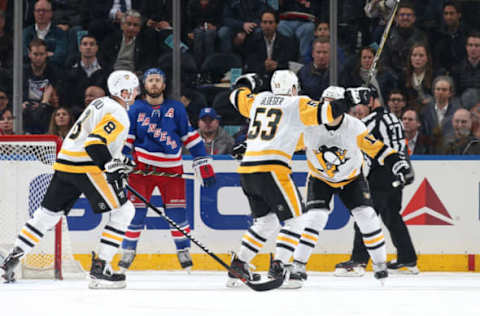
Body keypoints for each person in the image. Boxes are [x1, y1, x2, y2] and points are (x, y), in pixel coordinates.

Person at [1, 70, 140, 289]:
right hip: (86, 166)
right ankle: (100, 269)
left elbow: (94, 140)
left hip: (65, 161)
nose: (136, 94)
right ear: (124, 91)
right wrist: (110, 166)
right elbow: (95, 143)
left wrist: (119, 161)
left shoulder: (101, 103)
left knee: (47, 214)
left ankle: (11, 258)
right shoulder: (119, 113)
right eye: (134, 90)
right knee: (124, 211)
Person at [226, 70, 355, 287]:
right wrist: (350, 99)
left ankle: (239, 264)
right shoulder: (296, 103)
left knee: (266, 221)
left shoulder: (258, 99)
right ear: (294, 88)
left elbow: (236, 96)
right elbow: (327, 112)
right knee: (298, 219)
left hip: (248, 170)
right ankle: (280, 266)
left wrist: (245, 81)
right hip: (272, 169)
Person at [288, 86, 413, 288]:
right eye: (325, 104)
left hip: (352, 178)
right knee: (315, 218)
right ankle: (298, 265)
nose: (328, 110)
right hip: (320, 178)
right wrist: (252, 147)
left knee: (367, 216)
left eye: (333, 105)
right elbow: (283, 143)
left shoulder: (354, 127)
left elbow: (377, 148)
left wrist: (399, 164)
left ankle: (380, 264)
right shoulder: (308, 126)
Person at [118, 68, 216, 272]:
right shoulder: (135, 109)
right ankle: (127, 250)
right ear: (144, 85)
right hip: (142, 170)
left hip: (171, 171)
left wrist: (202, 161)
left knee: (177, 213)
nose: (154, 83)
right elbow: (128, 139)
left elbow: (189, 137)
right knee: (135, 213)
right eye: (150, 80)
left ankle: (183, 251)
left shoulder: (177, 108)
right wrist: (123, 159)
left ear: (163, 85)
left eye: (158, 80)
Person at [335, 86, 419, 276]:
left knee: (364, 215)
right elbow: (401, 148)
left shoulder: (372, 121)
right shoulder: (393, 119)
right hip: (397, 172)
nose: (360, 109)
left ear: (372, 100)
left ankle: (358, 261)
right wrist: (404, 167)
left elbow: (356, 140)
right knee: (392, 216)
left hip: (381, 174)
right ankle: (408, 260)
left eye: (363, 104)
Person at [23, 0, 67, 67]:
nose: (41, 13)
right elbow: (23, 55)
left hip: (53, 72)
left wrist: (34, 55)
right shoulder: (25, 32)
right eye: (38, 10)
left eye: (44, 10)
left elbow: (60, 56)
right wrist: (47, 54)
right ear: (34, 13)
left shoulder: (60, 33)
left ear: (51, 13)